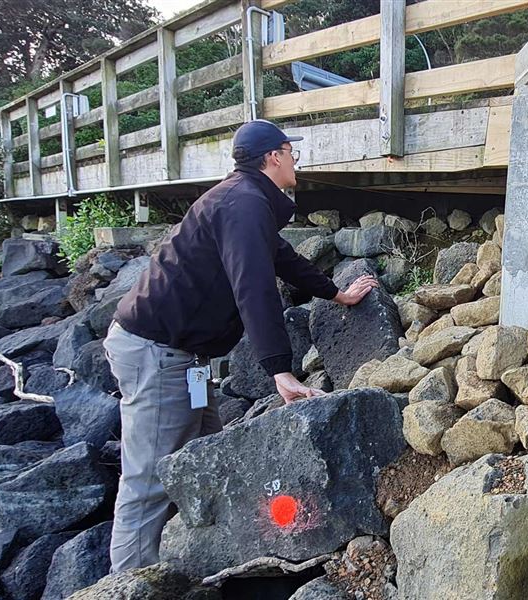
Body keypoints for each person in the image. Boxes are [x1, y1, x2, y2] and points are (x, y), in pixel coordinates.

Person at [103, 119, 378, 572]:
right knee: (149, 478)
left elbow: (281, 259)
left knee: (207, 452)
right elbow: (254, 286)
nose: (296, 160)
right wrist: (279, 369)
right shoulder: (244, 203)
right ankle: (129, 583)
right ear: (273, 156)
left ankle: (199, 561)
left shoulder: (247, 201)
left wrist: (336, 293)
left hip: (185, 356)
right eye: (291, 152)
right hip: (156, 352)